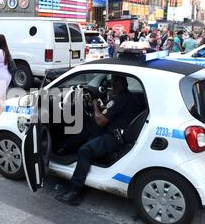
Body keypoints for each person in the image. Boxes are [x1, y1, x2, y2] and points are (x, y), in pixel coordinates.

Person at [56, 76, 143, 205]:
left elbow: (101, 121)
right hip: (119, 130)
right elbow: (107, 113)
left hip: (116, 137)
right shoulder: (131, 98)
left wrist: (95, 106)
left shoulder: (119, 99)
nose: (111, 87)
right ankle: (65, 148)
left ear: (119, 84)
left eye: (113, 83)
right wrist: (101, 108)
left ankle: (75, 191)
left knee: (85, 151)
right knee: (90, 126)